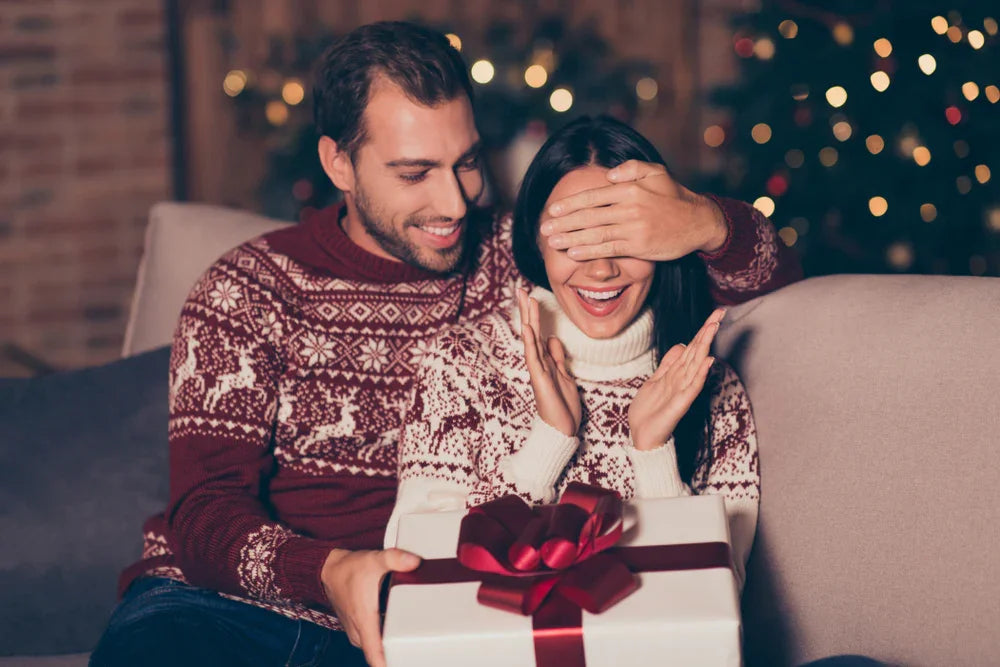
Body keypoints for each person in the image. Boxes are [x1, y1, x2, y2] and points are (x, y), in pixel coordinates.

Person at [90, 21, 801, 667]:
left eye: (465, 163)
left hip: (430, 621)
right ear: (339, 163)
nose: (456, 203)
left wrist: (707, 224)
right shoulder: (248, 290)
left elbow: (764, 289)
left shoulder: (524, 253)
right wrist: (328, 570)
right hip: (230, 614)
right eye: (414, 173)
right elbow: (204, 511)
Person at [386, 116, 758, 589]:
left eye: (621, 235)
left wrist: (654, 457)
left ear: (665, 238)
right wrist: (547, 444)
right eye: (574, 237)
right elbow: (417, 572)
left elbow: (716, 599)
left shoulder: (710, 385)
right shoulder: (460, 363)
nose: (601, 269)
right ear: (534, 242)